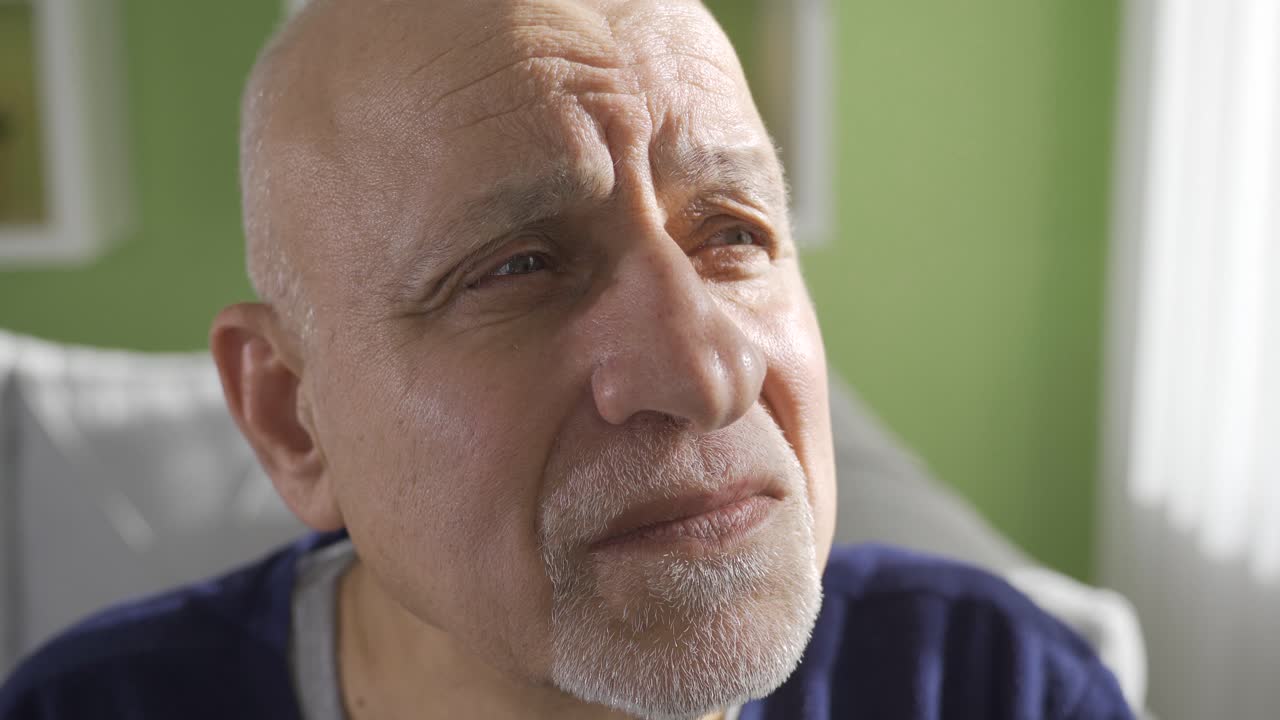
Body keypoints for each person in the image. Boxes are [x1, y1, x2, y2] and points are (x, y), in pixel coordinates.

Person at [0, 1, 1133, 718]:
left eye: (732, 233)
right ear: (293, 418)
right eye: (519, 266)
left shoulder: (991, 681)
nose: (704, 371)